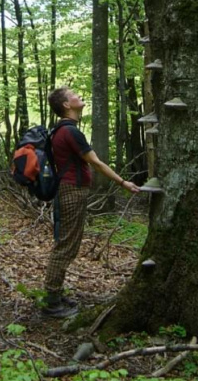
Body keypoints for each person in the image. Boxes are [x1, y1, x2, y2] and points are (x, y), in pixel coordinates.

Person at [42, 86, 141, 318]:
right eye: (73, 94)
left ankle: (54, 293)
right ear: (67, 105)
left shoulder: (61, 130)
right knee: (66, 245)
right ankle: (51, 302)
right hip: (72, 191)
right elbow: (95, 163)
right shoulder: (70, 132)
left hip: (69, 190)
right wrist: (122, 182)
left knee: (67, 243)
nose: (79, 95)